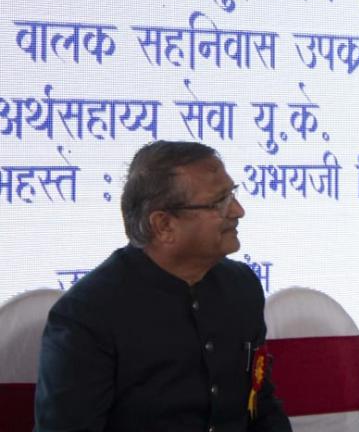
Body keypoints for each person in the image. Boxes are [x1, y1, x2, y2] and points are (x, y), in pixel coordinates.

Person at [35, 141, 290, 432]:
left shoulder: (241, 286)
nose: (238, 210)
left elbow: (262, 406)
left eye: (232, 194)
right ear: (164, 225)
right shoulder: (87, 315)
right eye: (219, 202)